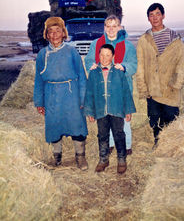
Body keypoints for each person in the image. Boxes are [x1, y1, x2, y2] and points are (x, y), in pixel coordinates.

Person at [33, 16, 88, 170]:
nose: (55, 34)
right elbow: (38, 80)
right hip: (51, 94)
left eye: (58, 31)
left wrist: (83, 98)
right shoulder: (42, 54)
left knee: (77, 124)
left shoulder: (72, 51)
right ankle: (57, 157)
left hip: (71, 93)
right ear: (47, 35)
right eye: (51, 31)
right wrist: (39, 102)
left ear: (64, 33)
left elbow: (82, 76)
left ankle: (80, 157)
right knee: (54, 125)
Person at [136, 3, 184, 149]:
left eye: (158, 14)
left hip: (170, 90)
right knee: (155, 121)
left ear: (163, 16)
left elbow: (183, 63)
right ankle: (157, 144)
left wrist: (177, 84)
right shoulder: (143, 41)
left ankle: (171, 147)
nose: (155, 18)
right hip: (152, 91)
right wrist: (143, 88)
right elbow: (140, 66)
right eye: (151, 15)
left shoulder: (175, 41)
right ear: (148, 18)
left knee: (171, 120)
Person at [84, 15, 137, 155]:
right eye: (108, 26)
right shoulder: (96, 43)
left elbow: (134, 65)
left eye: (114, 26)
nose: (111, 29)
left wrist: (124, 67)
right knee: (106, 114)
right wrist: (92, 65)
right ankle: (111, 144)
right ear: (104, 28)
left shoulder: (128, 45)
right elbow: (88, 60)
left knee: (122, 117)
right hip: (102, 86)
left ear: (120, 27)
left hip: (121, 87)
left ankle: (126, 146)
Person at [84, 44, 136, 174]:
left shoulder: (119, 72)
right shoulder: (94, 73)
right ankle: (103, 159)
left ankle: (122, 159)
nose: (104, 58)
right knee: (102, 135)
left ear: (113, 56)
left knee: (119, 134)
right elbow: (89, 93)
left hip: (117, 109)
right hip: (101, 110)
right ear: (98, 56)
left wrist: (128, 110)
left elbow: (126, 92)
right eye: (102, 55)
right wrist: (90, 111)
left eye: (108, 55)